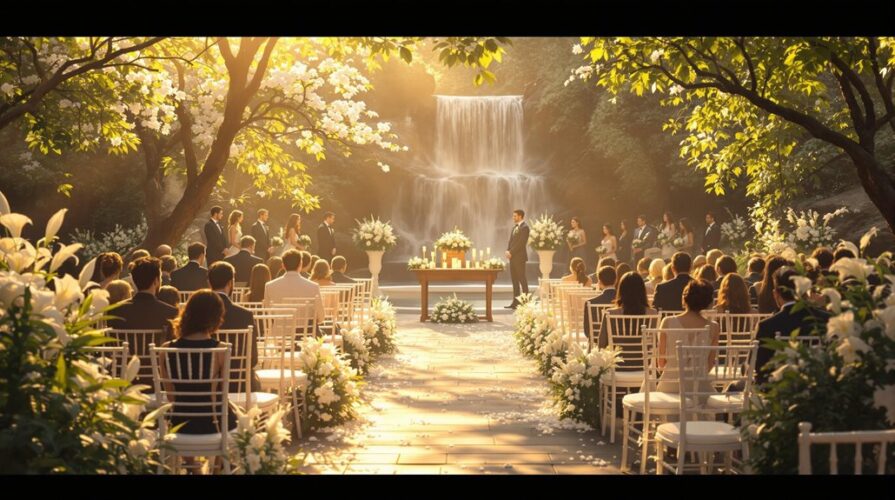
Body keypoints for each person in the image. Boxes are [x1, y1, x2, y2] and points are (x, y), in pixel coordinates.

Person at [160, 290, 237, 435]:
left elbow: (171, 396)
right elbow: (221, 395)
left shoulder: (166, 349)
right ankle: (216, 457)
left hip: (179, 424)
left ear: (187, 313)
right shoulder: (221, 350)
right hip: (213, 424)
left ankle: (190, 459)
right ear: (216, 317)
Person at [754, 267, 829, 384]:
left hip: (778, 391)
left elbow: (758, 367)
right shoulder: (826, 319)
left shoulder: (767, 326)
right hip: (819, 386)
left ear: (776, 294)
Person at [656, 279, 721, 393]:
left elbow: (661, 363)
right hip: (699, 389)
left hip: (669, 387)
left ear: (685, 298)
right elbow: (709, 365)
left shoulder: (667, 322)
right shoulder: (714, 327)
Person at [208, 261, 257, 392]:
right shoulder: (245, 315)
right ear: (231, 283)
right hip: (239, 385)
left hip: (207, 383)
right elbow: (253, 359)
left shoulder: (199, 313)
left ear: (209, 283)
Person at [107, 257, 180, 333]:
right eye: (160, 278)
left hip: (127, 345)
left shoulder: (116, 310)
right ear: (156, 281)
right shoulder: (170, 312)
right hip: (157, 344)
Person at [596, 271, 657, 350]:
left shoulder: (610, 313)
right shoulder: (652, 313)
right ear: (642, 290)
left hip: (617, 359)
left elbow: (602, 343)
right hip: (643, 359)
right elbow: (654, 342)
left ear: (621, 290)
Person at [264, 249, 325, 324]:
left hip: (279, 333)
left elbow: (268, 313)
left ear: (283, 265)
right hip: (306, 333)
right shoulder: (313, 286)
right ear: (300, 264)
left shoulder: (269, 286)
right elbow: (321, 317)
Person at [583, 266, 617, 341]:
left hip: (596, 337)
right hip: (617, 339)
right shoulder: (623, 301)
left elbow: (587, 331)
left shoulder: (591, 302)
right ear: (616, 280)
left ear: (599, 282)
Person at [505, 209, 530, 309]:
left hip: (519, 258)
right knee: (514, 280)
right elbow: (511, 241)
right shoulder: (514, 227)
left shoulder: (525, 227)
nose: (513, 217)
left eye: (515, 216)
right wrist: (507, 250)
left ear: (520, 216)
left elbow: (521, 243)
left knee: (522, 279)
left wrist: (511, 252)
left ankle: (525, 302)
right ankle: (515, 302)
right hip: (512, 258)